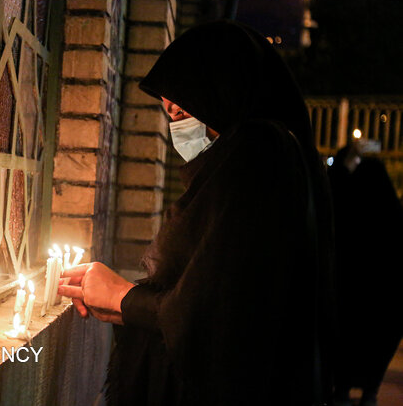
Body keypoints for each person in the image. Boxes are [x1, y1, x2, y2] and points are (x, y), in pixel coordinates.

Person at [58, 20, 335, 406]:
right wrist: (125, 308)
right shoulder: (274, 157)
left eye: (184, 109)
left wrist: (122, 296)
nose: (180, 127)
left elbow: (217, 314)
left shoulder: (260, 153)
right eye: (170, 115)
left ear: (222, 92)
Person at [328, 141, 403, 406]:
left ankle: (342, 390)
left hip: (349, 295)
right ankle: (370, 392)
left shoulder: (348, 216)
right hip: (384, 304)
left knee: (347, 339)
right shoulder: (393, 217)